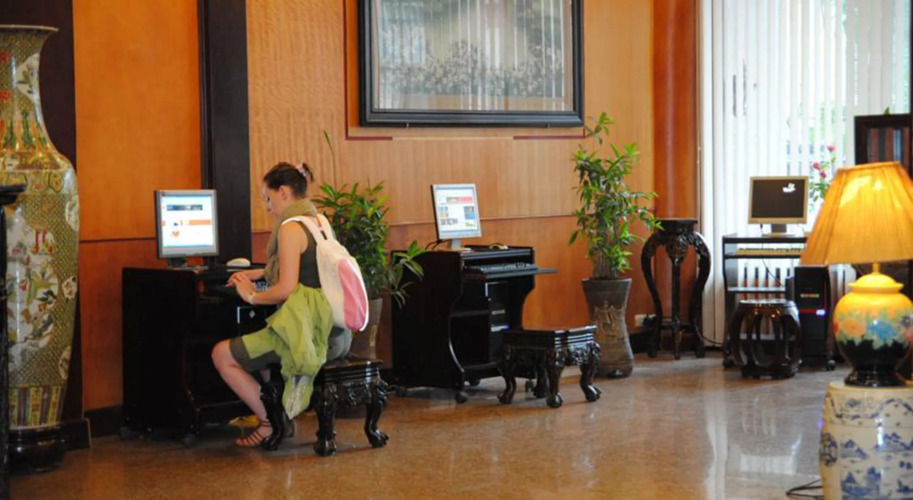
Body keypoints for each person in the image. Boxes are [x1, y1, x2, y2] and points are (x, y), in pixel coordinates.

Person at [212, 162, 352, 447]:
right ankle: (278, 413)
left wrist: (250, 294)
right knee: (262, 347)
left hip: (306, 337)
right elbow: (309, 269)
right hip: (336, 334)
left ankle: (269, 422)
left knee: (221, 354)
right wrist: (261, 273)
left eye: (268, 197)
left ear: (284, 192)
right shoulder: (319, 221)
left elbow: (286, 290)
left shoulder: (290, 228)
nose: (268, 207)